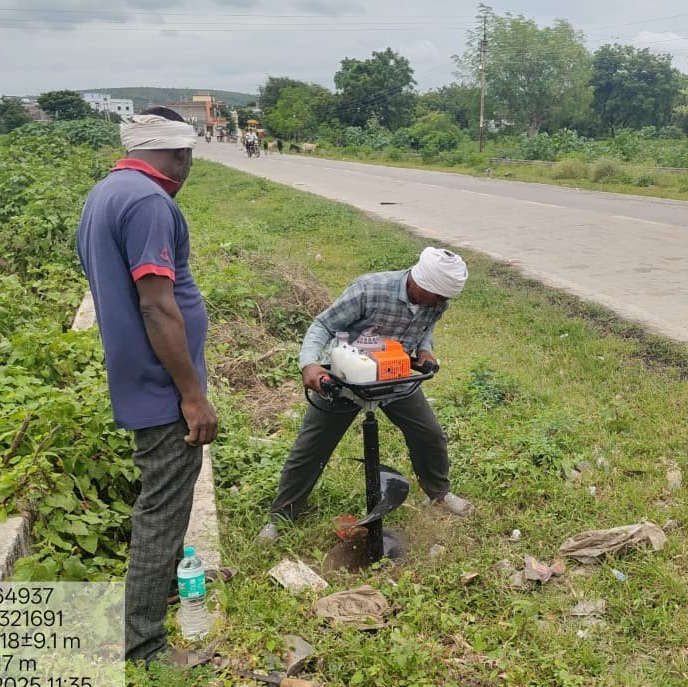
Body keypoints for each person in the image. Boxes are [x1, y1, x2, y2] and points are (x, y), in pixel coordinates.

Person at [76, 107, 219, 663]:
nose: (189, 169)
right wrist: (192, 394)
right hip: (163, 389)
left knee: (164, 501)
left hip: (139, 377)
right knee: (161, 507)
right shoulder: (149, 203)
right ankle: (145, 644)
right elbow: (157, 304)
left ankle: (157, 594)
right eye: (190, 159)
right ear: (180, 154)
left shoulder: (107, 193)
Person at [259, 247, 473, 542]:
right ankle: (281, 517)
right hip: (348, 380)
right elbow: (322, 324)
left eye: (444, 299)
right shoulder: (370, 289)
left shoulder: (436, 300)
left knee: (430, 435)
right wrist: (309, 363)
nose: (440, 303)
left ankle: (438, 493)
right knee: (311, 448)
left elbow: (426, 327)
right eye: (437, 297)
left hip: (394, 379)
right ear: (419, 281)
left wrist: (425, 349)